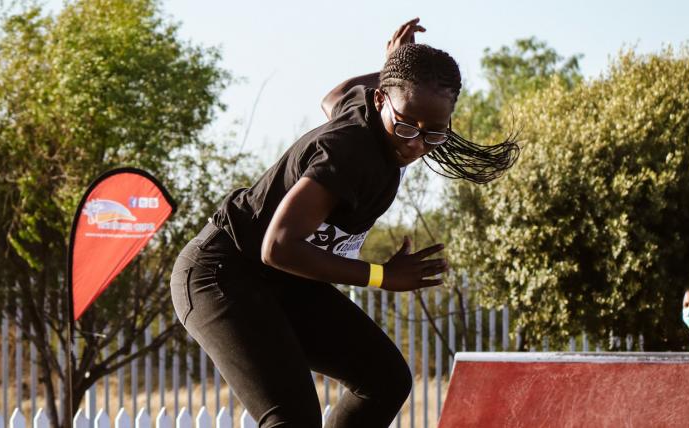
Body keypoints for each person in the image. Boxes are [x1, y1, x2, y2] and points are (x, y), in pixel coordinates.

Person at [169, 18, 518, 427]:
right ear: (379, 102)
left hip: (288, 282)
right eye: (404, 124)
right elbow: (278, 246)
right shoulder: (349, 152)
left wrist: (390, 66)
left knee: (385, 379)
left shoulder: (368, 109)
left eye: (434, 134)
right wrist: (380, 276)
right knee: (294, 419)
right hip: (223, 275)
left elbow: (333, 96)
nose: (414, 144)